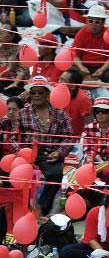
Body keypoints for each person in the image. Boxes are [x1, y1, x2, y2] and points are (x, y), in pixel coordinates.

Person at [17, 76, 73, 215]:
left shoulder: (60, 113)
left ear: (48, 94)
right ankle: (19, 207)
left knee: (55, 173)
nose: (36, 95)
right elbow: (13, 136)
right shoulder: (22, 113)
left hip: (51, 154)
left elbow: (68, 137)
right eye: (33, 92)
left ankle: (41, 209)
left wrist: (59, 152)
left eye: (40, 92)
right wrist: (20, 151)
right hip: (28, 152)